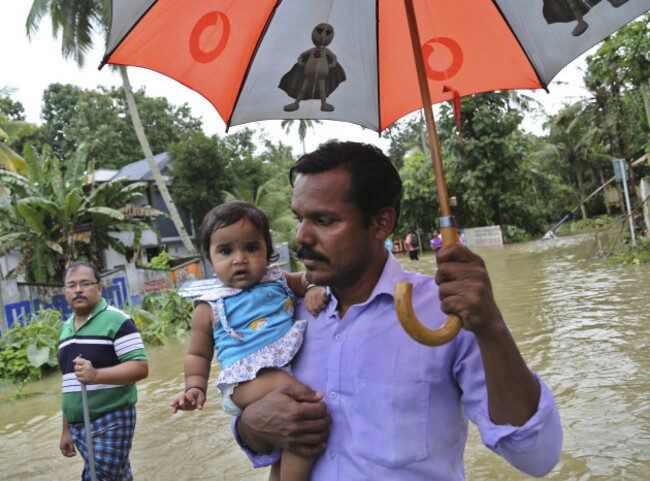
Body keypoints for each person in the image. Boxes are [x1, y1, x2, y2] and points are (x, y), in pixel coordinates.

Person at [233, 142, 563, 480]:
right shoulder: (285, 314)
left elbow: (538, 456)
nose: (302, 235)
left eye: (324, 220)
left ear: (380, 224)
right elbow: (254, 425)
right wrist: (251, 426)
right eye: (299, 218)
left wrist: (492, 328)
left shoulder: (448, 314)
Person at [170, 201, 328, 481]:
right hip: (245, 382)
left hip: (277, 371)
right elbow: (198, 355)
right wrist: (194, 386)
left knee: (286, 442)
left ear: (267, 253)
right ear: (210, 260)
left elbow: (306, 280)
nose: (239, 258)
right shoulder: (209, 307)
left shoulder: (278, 279)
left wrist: (314, 287)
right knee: (304, 415)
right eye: (226, 251)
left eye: (251, 248)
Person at [59, 261, 149, 480]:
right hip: (79, 425)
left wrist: (96, 375)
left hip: (112, 417)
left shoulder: (118, 320)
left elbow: (140, 367)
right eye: (71, 285)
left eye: (85, 283)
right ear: (65, 292)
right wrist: (66, 429)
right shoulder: (66, 327)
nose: (78, 290)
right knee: (116, 477)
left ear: (99, 288)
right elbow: (69, 383)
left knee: (100, 477)